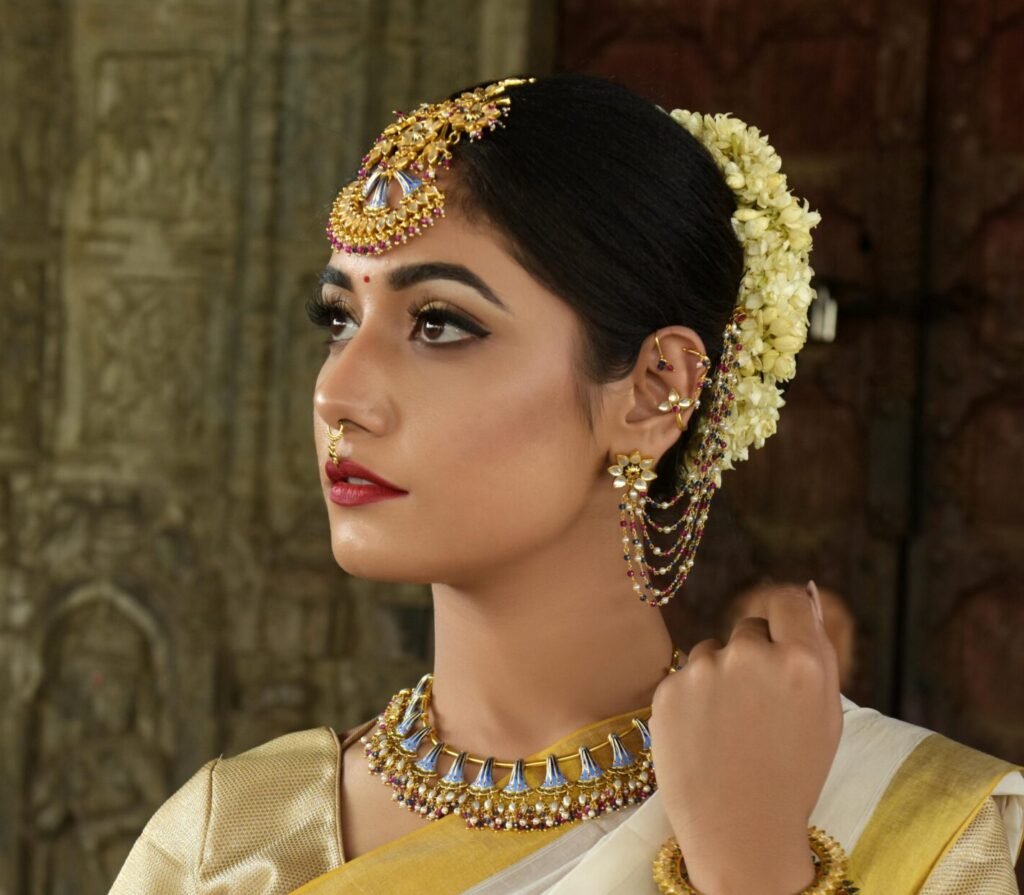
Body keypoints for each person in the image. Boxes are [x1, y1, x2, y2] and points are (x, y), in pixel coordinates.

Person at [109, 74, 1024, 895]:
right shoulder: (228, 842)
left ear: (655, 389)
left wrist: (754, 870)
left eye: (438, 323)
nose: (337, 390)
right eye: (339, 316)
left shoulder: (929, 832)